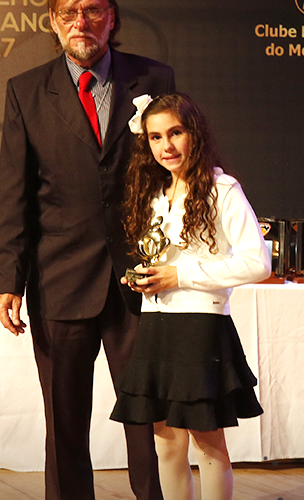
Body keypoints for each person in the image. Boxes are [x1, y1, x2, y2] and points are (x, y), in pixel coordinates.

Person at [0, 0, 175, 499]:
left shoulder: (155, 79)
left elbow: (174, 171)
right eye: (69, 11)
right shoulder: (25, 91)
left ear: (111, 17)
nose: (81, 22)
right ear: (53, 20)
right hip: (59, 280)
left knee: (150, 419)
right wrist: (9, 281)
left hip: (141, 280)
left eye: (92, 10)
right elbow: (14, 193)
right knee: (65, 423)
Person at [110, 93, 271, 500]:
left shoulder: (222, 188)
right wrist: (146, 278)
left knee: (207, 444)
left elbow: (258, 263)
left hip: (200, 326)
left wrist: (180, 276)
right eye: (155, 137)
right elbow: (162, 259)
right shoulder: (153, 192)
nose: (166, 146)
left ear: (194, 133)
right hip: (156, 324)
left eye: (175, 133)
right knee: (165, 443)